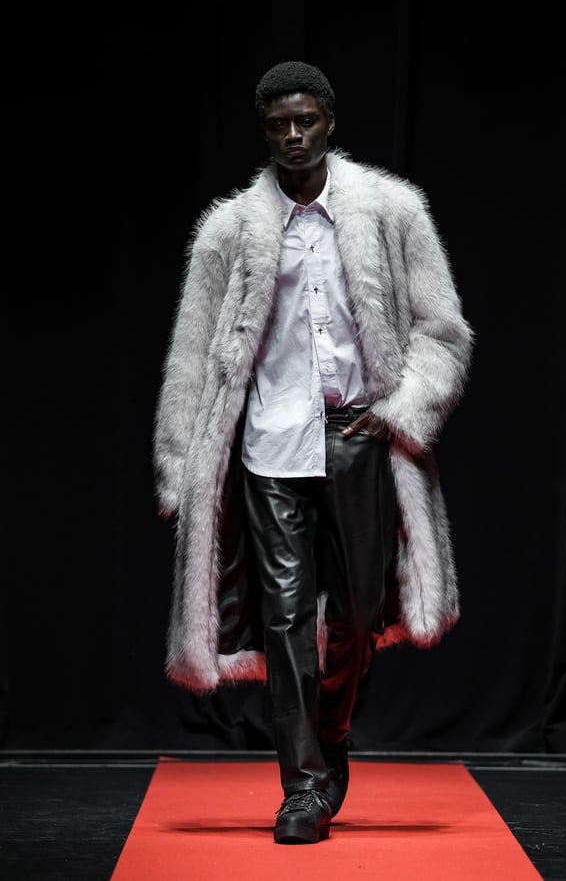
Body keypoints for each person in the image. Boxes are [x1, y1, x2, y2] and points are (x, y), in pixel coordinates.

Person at [153, 60, 474, 844]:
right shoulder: (229, 231)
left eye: (305, 121)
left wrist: (401, 409)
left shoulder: (391, 211)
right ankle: (301, 787)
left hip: (359, 435)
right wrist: (181, 464)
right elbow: (192, 355)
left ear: (330, 121)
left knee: (359, 613)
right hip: (270, 443)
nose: (293, 136)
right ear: (264, 133)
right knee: (286, 615)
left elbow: (442, 330)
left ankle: (329, 742)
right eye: (278, 125)